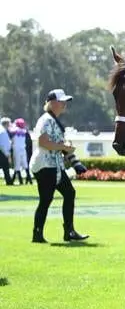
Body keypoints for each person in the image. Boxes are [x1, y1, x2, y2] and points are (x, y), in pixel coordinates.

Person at [29, 89, 89, 243]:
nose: (64, 105)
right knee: (47, 199)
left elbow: (57, 145)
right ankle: (39, 234)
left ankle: (68, 231)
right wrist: (65, 148)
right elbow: (43, 143)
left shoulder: (53, 120)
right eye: (61, 102)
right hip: (45, 165)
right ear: (52, 103)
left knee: (68, 194)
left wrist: (74, 161)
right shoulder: (46, 120)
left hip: (54, 165)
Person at [11, 118, 31, 185]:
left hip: (16, 149)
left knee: (17, 165)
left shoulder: (14, 131)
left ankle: (20, 180)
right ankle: (29, 179)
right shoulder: (24, 131)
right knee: (25, 165)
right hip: (23, 149)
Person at [0, 117, 12, 186]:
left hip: (3, 151)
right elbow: (3, 144)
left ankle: (9, 181)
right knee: (5, 168)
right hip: (3, 152)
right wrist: (7, 154)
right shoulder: (3, 132)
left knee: (5, 168)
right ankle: (9, 181)